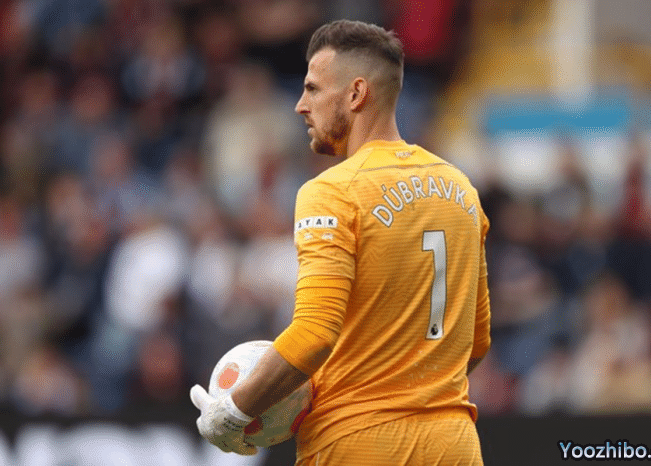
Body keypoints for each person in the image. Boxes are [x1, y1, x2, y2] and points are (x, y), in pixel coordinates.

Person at [190, 19, 491, 465]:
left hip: (358, 443)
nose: (300, 105)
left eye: (313, 89)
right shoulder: (461, 189)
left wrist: (233, 411)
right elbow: (476, 341)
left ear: (356, 94)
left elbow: (314, 334)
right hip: (454, 444)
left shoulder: (332, 191)